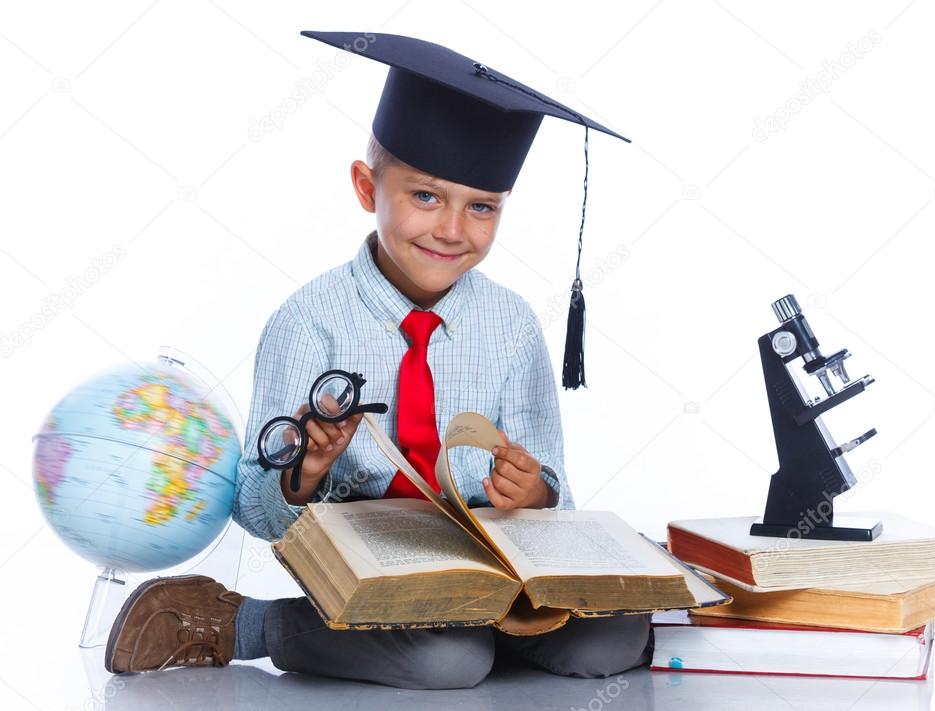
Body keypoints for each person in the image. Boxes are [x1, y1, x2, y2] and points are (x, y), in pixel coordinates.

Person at [104, 31, 652, 688]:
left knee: (616, 635)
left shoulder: (510, 326)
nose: (452, 229)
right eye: (425, 196)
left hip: (489, 571)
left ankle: (471, 631)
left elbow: (552, 492)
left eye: (481, 207)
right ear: (367, 186)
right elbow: (252, 506)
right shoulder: (309, 321)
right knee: (445, 657)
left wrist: (533, 491)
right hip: (366, 569)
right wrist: (305, 468)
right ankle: (240, 621)